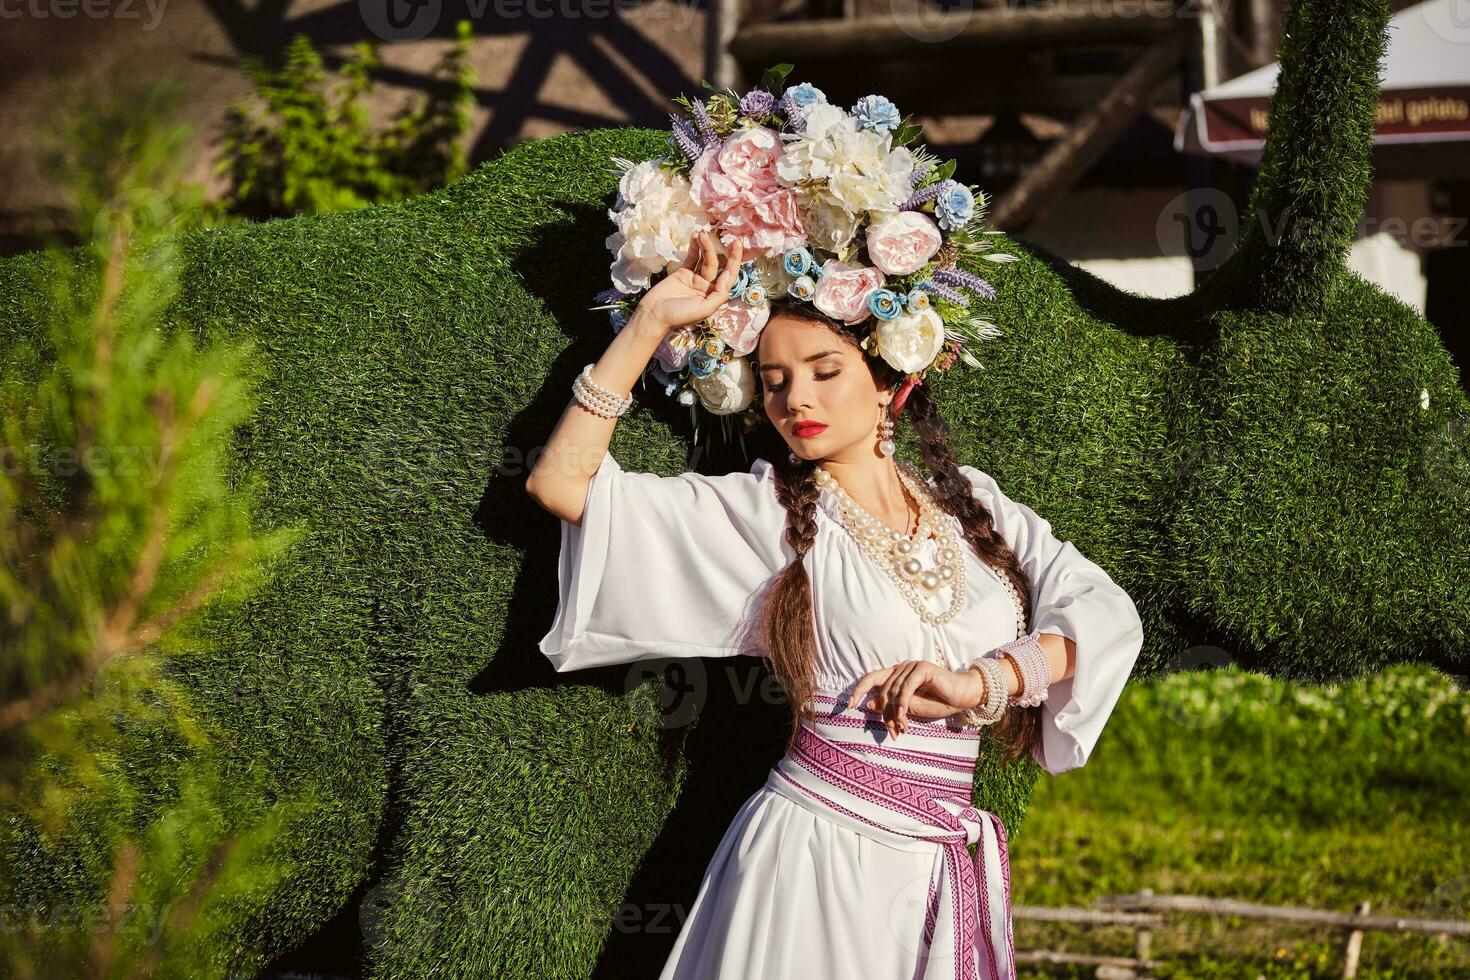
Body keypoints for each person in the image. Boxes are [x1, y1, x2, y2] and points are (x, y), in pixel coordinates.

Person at [524, 230, 1145, 980]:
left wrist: (986, 681)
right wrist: (650, 324)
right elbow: (562, 485)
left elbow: (1104, 611)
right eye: (776, 381)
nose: (798, 400)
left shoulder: (972, 501)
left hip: (938, 862)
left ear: (888, 381)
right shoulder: (771, 517)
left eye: (824, 371)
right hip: (814, 858)